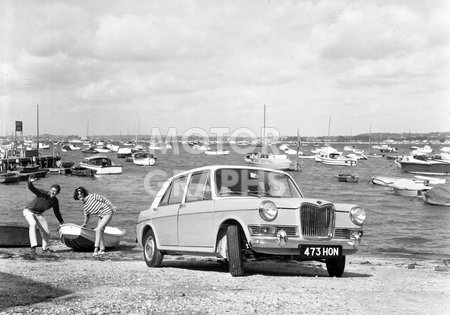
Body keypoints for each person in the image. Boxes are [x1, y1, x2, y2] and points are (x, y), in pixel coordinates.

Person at [23, 177, 64, 257]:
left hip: (39, 214)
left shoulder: (55, 201)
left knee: (47, 232)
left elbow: (57, 212)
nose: (52, 192)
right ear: (49, 190)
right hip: (28, 211)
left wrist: (62, 222)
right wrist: (30, 182)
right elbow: (31, 188)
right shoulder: (42, 193)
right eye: (52, 190)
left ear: (57, 193)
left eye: (55, 191)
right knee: (33, 224)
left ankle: (44, 249)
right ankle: (33, 247)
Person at [73, 187, 118, 256]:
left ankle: (96, 248)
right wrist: (85, 224)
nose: (80, 196)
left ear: (84, 193)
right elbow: (87, 216)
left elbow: (104, 200)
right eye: (78, 195)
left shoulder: (93, 196)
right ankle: (102, 249)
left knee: (98, 229)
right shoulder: (85, 207)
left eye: (81, 194)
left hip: (107, 212)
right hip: (101, 216)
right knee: (100, 231)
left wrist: (112, 206)